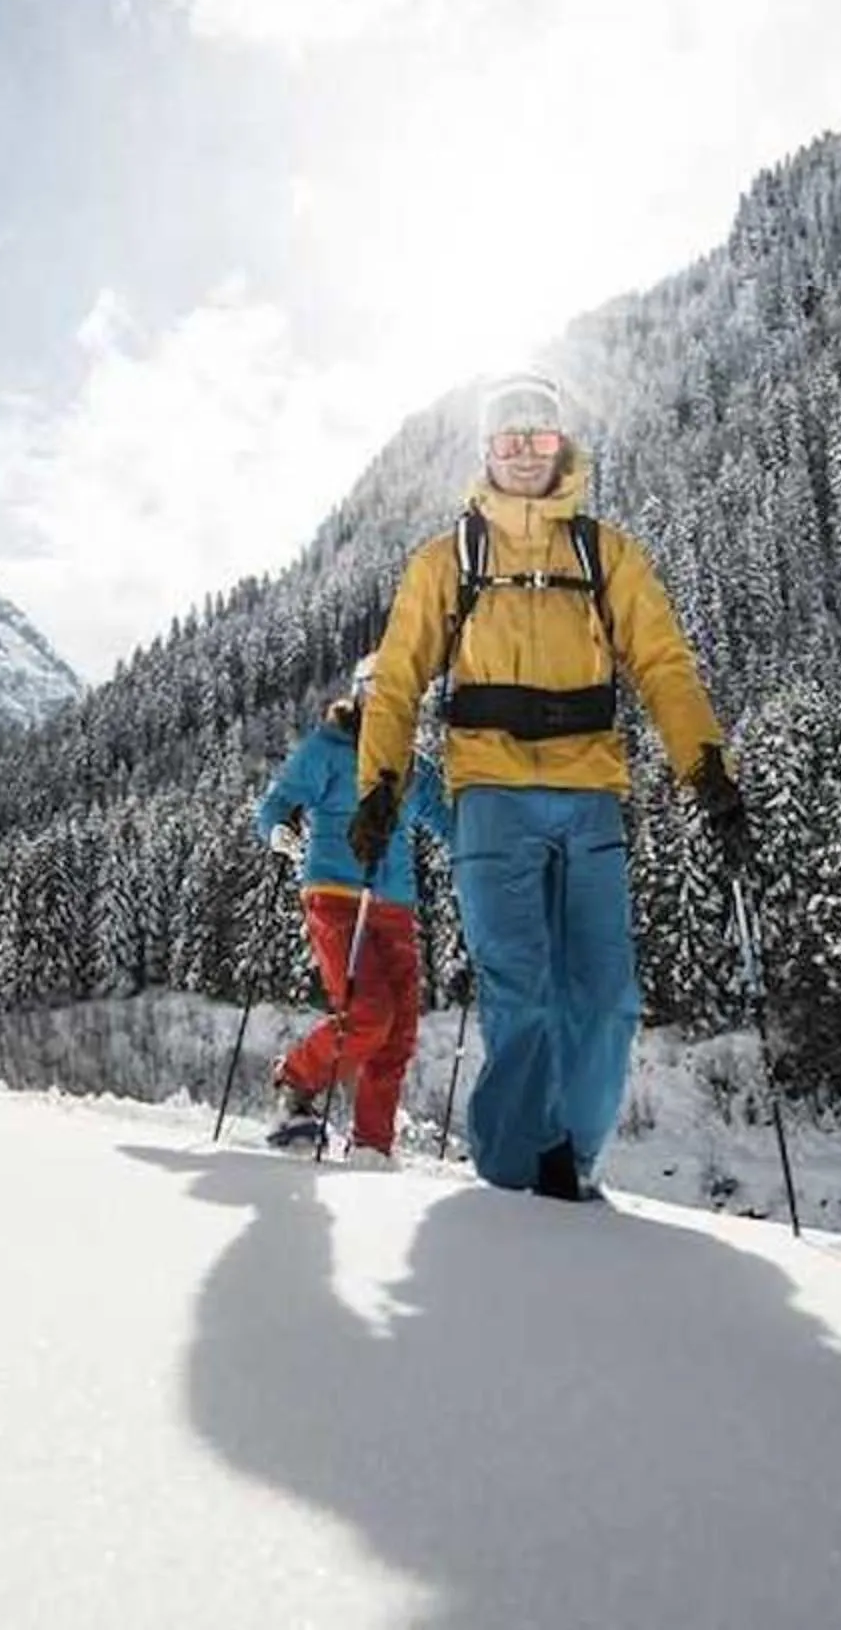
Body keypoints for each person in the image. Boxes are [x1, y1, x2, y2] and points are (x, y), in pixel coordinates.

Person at [347, 373, 751, 1202]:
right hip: (489, 796)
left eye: (538, 436)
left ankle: (575, 1159)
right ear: (485, 451)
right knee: (521, 997)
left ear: (559, 446)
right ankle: (509, 1184)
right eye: (507, 438)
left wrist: (707, 769)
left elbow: (665, 667)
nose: (524, 452)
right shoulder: (448, 560)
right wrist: (379, 786)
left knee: (605, 1001)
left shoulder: (606, 555)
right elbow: (396, 684)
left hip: (590, 792)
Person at [251, 654, 453, 1166]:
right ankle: (294, 1082)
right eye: (382, 696)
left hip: (397, 904)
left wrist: (494, 856)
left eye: (404, 700)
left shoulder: (414, 768)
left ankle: (372, 1147)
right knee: (368, 1013)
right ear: (361, 695)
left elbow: (453, 826)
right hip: (336, 894)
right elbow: (277, 804)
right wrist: (279, 831)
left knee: (399, 1032)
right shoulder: (328, 749)